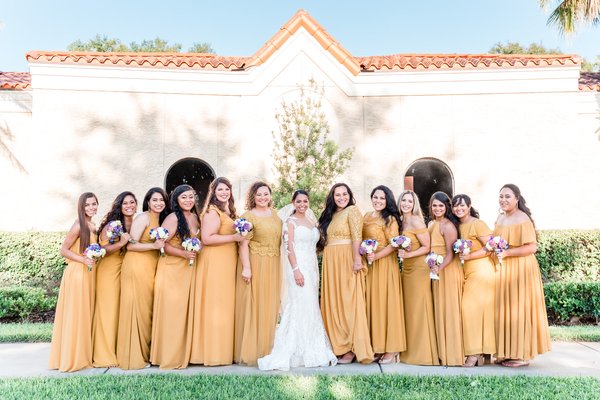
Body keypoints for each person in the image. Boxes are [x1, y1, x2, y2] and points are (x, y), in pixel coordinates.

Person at [258, 190, 337, 371]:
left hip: (311, 267)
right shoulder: (290, 222)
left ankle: (311, 345)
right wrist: (296, 270)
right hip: (298, 267)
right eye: (299, 201)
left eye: (305, 201)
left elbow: (315, 244)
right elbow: (289, 248)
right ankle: (294, 349)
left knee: (310, 305)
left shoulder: (311, 221)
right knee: (299, 304)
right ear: (293, 203)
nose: (302, 204)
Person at [494, 184, 551, 367]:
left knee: (519, 309)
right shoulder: (500, 218)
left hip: (521, 268)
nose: (503, 200)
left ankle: (521, 355)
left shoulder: (522, 218)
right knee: (506, 310)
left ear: (517, 199)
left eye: (507, 196)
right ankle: (506, 351)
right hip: (504, 268)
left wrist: (508, 253)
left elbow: (532, 247)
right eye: (501, 196)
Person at [318, 183, 373, 364]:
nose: (341, 197)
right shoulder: (331, 215)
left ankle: (352, 348)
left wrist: (357, 259)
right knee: (334, 302)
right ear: (332, 197)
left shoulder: (353, 211)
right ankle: (338, 346)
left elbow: (357, 236)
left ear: (350, 195)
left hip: (347, 259)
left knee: (349, 302)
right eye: (337, 195)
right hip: (331, 261)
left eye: (344, 194)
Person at [190, 177, 243, 366]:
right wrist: (235, 237)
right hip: (215, 262)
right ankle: (212, 352)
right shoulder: (212, 212)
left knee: (224, 304)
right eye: (220, 190)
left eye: (227, 189)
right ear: (213, 192)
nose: (224, 192)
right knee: (216, 303)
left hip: (227, 261)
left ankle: (223, 349)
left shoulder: (227, 211)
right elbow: (207, 238)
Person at [116, 187, 169, 369]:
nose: (158, 203)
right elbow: (131, 245)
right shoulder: (143, 218)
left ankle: (146, 353)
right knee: (136, 310)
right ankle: (133, 358)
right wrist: (153, 246)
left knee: (146, 311)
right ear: (148, 202)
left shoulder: (160, 219)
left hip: (150, 267)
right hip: (136, 266)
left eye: (161, 200)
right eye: (154, 200)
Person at [150, 184, 200, 369]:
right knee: (172, 313)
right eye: (184, 197)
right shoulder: (172, 218)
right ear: (176, 200)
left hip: (188, 269)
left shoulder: (195, 217)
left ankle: (184, 353)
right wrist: (184, 254)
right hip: (172, 268)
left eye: (190, 196)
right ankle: (169, 356)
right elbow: (163, 245)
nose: (188, 200)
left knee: (184, 313)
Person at [49, 192, 99, 372]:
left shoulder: (92, 225)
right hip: (77, 273)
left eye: (94, 204)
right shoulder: (78, 225)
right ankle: (72, 357)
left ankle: (83, 353)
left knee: (85, 313)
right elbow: (64, 250)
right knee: (76, 314)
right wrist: (82, 259)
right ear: (81, 207)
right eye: (87, 205)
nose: (91, 207)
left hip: (89, 273)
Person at [234, 182, 282, 366]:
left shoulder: (276, 215)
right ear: (253, 197)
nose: (263, 198)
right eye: (259, 195)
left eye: (266, 194)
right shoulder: (248, 216)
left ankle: (267, 348)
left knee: (270, 305)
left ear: (270, 195)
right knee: (255, 304)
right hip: (256, 262)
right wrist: (247, 267)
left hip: (274, 263)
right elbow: (243, 244)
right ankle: (252, 350)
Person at [362, 185, 406, 364]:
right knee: (373, 304)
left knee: (386, 303)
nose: (378, 201)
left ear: (387, 200)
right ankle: (378, 346)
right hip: (370, 265)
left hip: (385, 264)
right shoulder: (366, 216)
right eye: (375, 197)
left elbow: (394, 244)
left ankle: (392, 348)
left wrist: (376, 256)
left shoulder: (390, 219)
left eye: (382, 198)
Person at [92, 191, 136, 368]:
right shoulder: (112, 224)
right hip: (109, 270)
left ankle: (120, 351)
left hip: (125, 269)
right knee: (108, 311)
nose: (129, 206)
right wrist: (121, 243)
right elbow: (102, 250)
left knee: (120, 312)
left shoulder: (135, 222)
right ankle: (104, 355)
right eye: (125, 203)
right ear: (119, 205)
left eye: (132, 202)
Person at [452, 194, 496, 367]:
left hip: (481, 271)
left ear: (469, 206)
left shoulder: (477, 224)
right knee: (476, 312)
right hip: (466, 272)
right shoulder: (456, 225)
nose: (459, 209)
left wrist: (470, 255)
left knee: (469, 309)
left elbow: (491, 246)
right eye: (455, 206)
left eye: (462, 205)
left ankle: (473, 353)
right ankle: (482, 351)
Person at [397, 190, 439, 366]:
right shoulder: (400, 221)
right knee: (409, 310)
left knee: (419, 309)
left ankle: (423, 354)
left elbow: (427, 246)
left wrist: (408, 255)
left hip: (418, 269)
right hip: (406, 269)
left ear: (414, 204)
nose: (406, 204)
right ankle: (409, 352)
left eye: (410, 201)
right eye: (403, 200)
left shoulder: (415, 220)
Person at [428, 191, 464, 366]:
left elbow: (451, 255)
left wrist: (438, 268)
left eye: (441, 206)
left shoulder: (448, 226)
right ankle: (441, 352)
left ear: (446, 207)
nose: (437, 208)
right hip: (436, 270)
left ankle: (453, 354)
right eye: (434, 205)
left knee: (449, 311)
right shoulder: (432, 224)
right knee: (439, 310)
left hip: (447, 271)